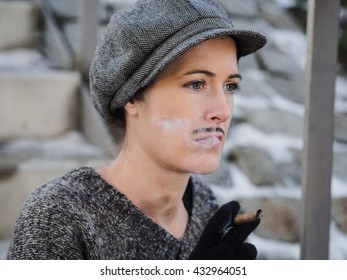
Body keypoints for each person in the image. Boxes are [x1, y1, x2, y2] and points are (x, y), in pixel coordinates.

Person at [7, 0, 266, 260]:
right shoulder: (59, 216)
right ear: (131, 97)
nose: (223, 110)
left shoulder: (208, 213)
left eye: (230, 86)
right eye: (196, 84)